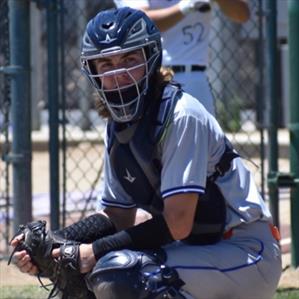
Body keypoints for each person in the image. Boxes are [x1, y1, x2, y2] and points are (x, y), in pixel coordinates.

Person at [11, 7, 281, 299]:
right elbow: (118, 214)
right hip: (196, 252)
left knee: (119, 272)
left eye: (129, 59)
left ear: (151, 58)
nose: (119, 73)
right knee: (87, 272)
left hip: (244, 251)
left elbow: (178, 223)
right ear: (93, 72)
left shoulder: (180, 114)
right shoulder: (117, 126)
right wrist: (59, 243)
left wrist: (91, 251)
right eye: (106, 64)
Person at [113, 0, 250, 116]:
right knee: (147, 145)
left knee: (200, 145)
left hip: (195, 79)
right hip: (148, 78)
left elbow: (242, 14)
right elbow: (138, 22)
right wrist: (186, 6)